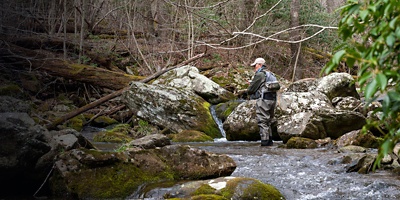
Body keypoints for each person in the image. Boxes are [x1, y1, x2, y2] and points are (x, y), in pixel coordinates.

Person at [246, 58, 278, 146]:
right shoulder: (270, 74)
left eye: (255, 65)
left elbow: (251, 90)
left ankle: (264, 143)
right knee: (268, 121)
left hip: (264, 100)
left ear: (259, 65)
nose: (254, 68)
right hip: (273, 100)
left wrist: (249, 88)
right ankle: (269, 142)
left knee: (262, 121)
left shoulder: (260, 74)